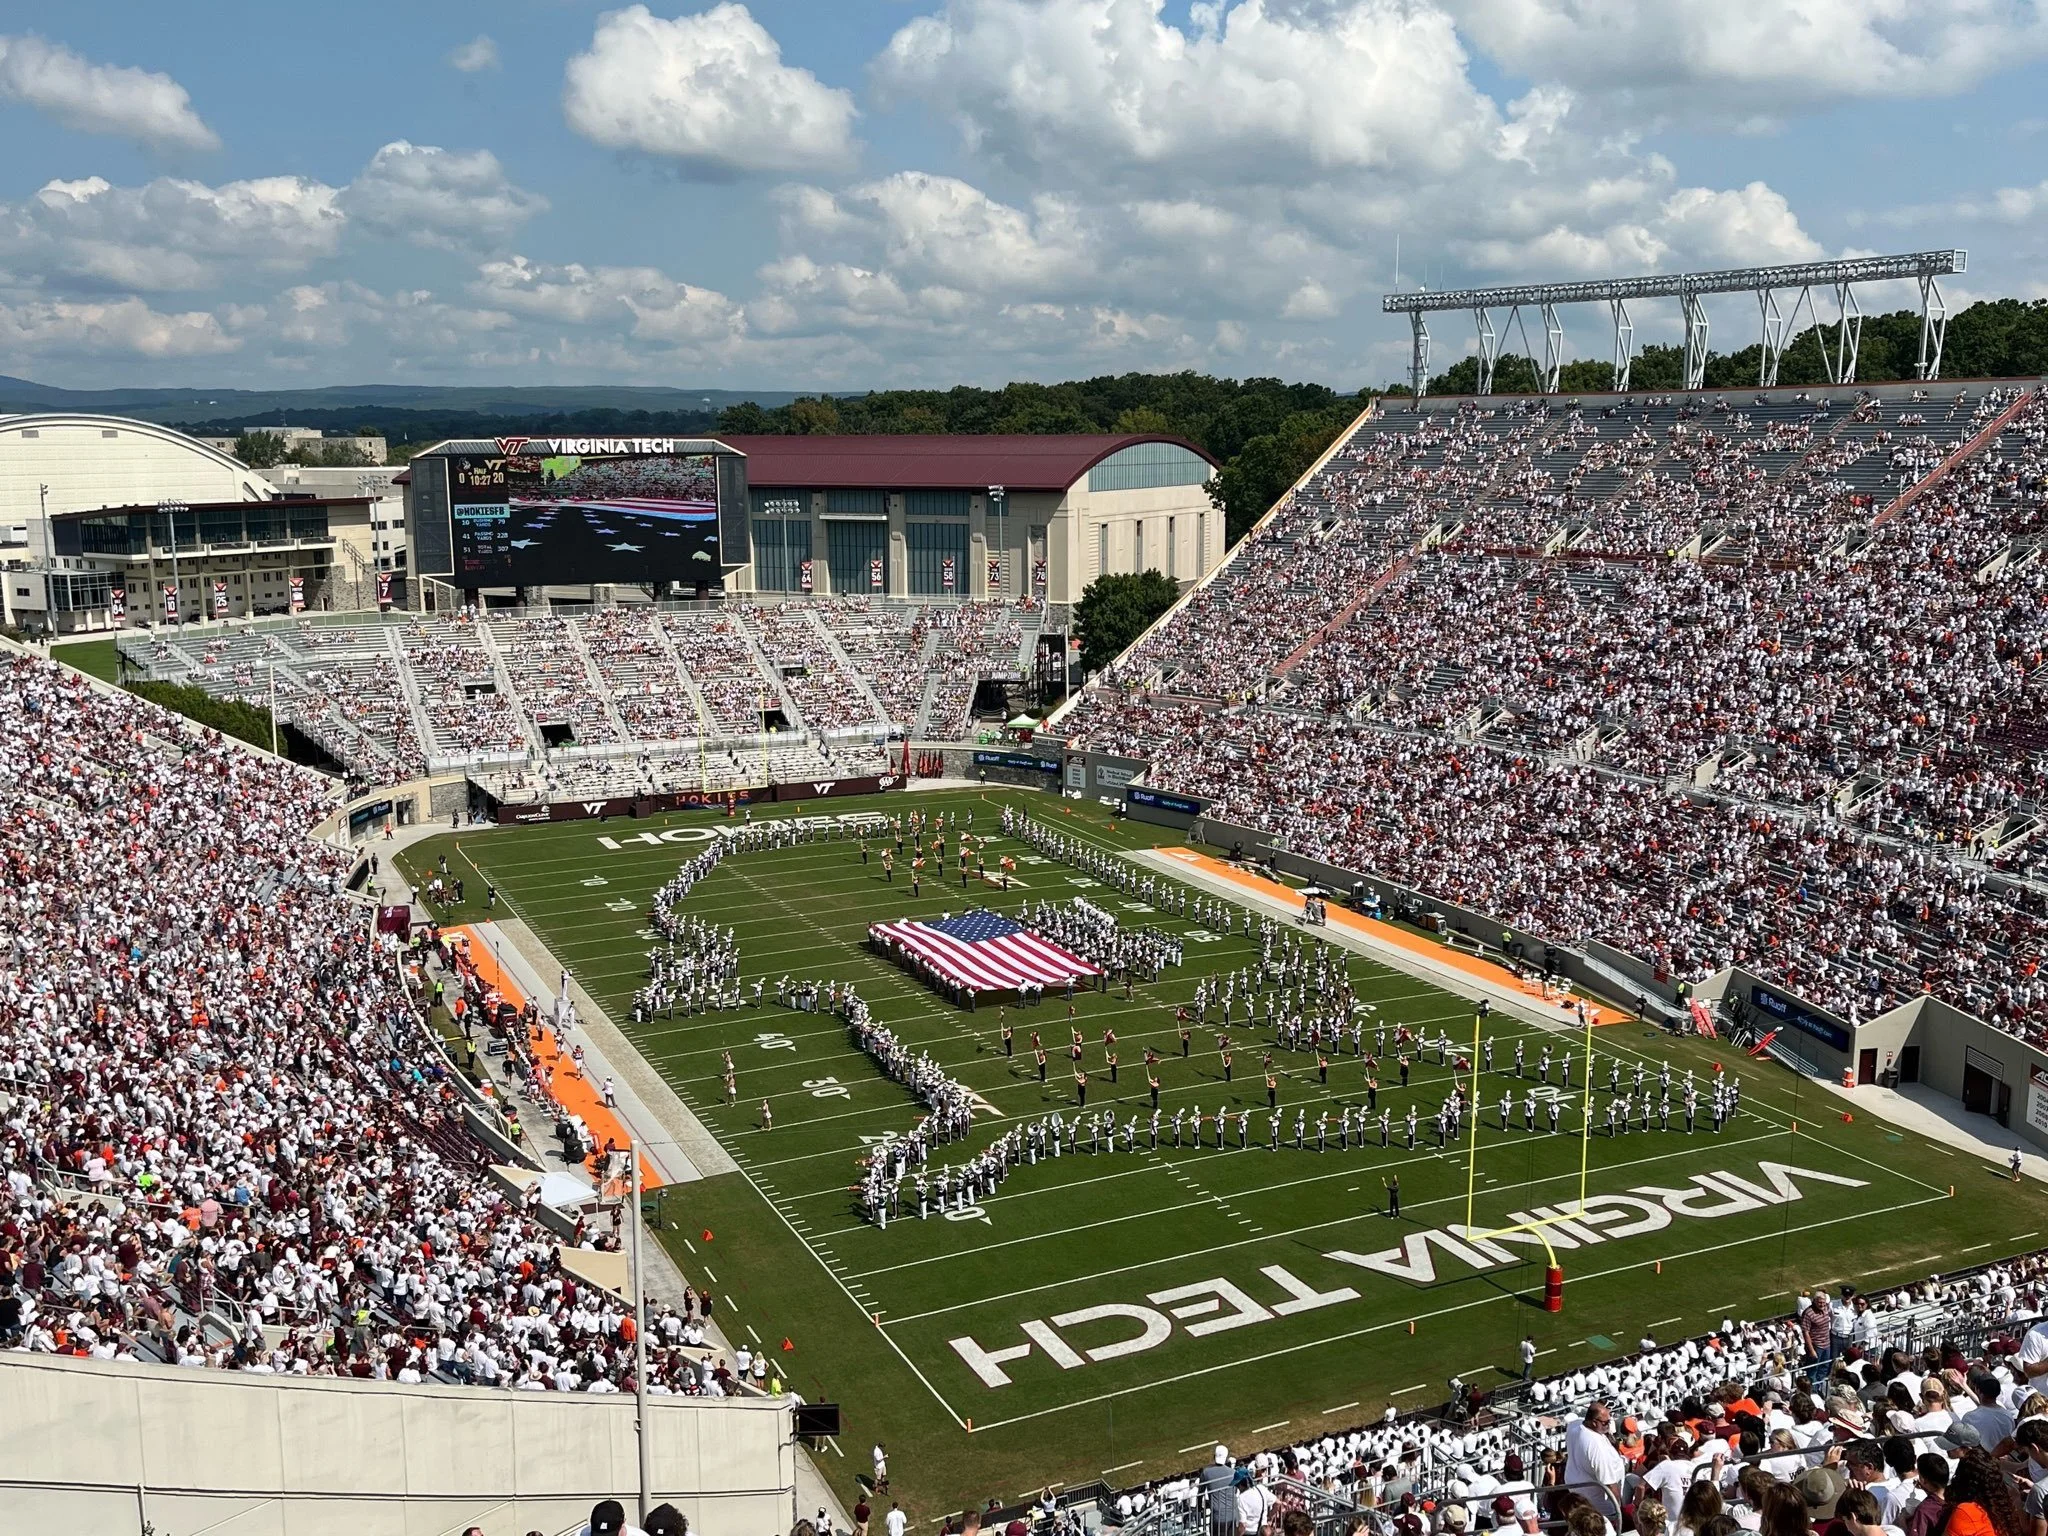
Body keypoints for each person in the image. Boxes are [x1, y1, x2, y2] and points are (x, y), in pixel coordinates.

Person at [1564, 1402, 1627, 1527]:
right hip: (1599, 1503)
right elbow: (1610, 1483)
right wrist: (1619, 1508)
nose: (1608, 1425)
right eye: (1605, 1422)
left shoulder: (1575, 1425)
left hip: (1580, 1489)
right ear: (1593, 1422)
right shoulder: (1596, 1447)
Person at [1200, 1446, 1242, 1536]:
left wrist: (1200, 1506)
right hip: (1233, 1514)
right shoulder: (1233, 1472)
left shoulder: (1206, 1472)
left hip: (1218, 1517)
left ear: (1214, 1456)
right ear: (1226, 1458)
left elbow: (1200, 1492)